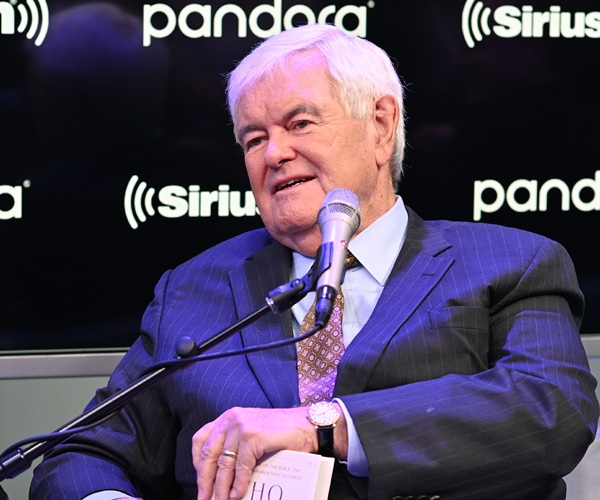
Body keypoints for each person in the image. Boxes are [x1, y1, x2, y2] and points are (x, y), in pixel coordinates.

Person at [30, 23, 598, 500]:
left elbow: (552, 409)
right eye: (254, 139)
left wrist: (321, 427)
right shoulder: (193, 288)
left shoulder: (508, 263)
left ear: (380, 125)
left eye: (299, 124)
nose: (274, 153)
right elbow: (81, 452)